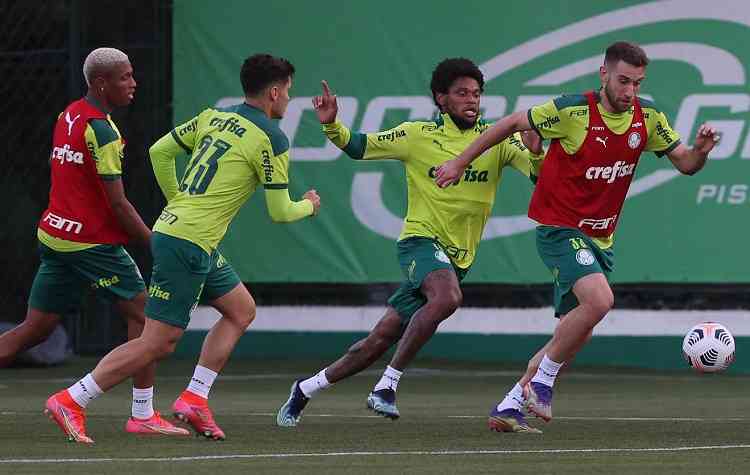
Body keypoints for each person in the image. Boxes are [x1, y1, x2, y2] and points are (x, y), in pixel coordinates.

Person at [434, 42, 720, 433]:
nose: (629, 91)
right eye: (623, 81)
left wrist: (701, 152)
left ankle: (512, 403)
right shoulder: (571, 110)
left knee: (575, 333)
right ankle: (542, 383)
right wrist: (459, 161)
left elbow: (686, 163)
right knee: (601, 301)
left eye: (637, 83)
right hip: (559, 227)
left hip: (600, 238)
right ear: (604, 75)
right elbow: (510, 125)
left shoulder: (648, 117)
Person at [45, 53, 321, 444]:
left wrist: (178, 202)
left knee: (241, 309)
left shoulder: (214, 116)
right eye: (289, 92)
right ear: (274, 92)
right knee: (157, 342)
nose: (288, 100)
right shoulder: (272, 139)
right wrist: (309, 205)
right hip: (189, 243)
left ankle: (194, 398)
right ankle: (73, 398)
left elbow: (160, 152)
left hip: (183, 235)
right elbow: (280, 211)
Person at [276, 58, 544, 429]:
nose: (472, 100)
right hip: (420, 241)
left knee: (376, 340)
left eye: (477, 94)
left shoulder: (496, 140)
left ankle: (305, 388)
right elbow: (358, 146)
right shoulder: (416, 134)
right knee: (447, 298)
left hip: (457, 258)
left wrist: (536, 149)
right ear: (441, 98)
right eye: (462, 93)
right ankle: (386, 386)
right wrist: (332, 125)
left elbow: (539, 177)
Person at [4, 47, 188, 440]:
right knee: (148, 318)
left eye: (132, 75)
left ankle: (141, 413)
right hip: (90, 244)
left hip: (55, 236)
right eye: (125, 77)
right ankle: (140, 414)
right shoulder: (103, 131)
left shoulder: (68, 113)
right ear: (101, 83)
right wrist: (155, 242)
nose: (133, 83)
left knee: (34, 330)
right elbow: (117, 203)